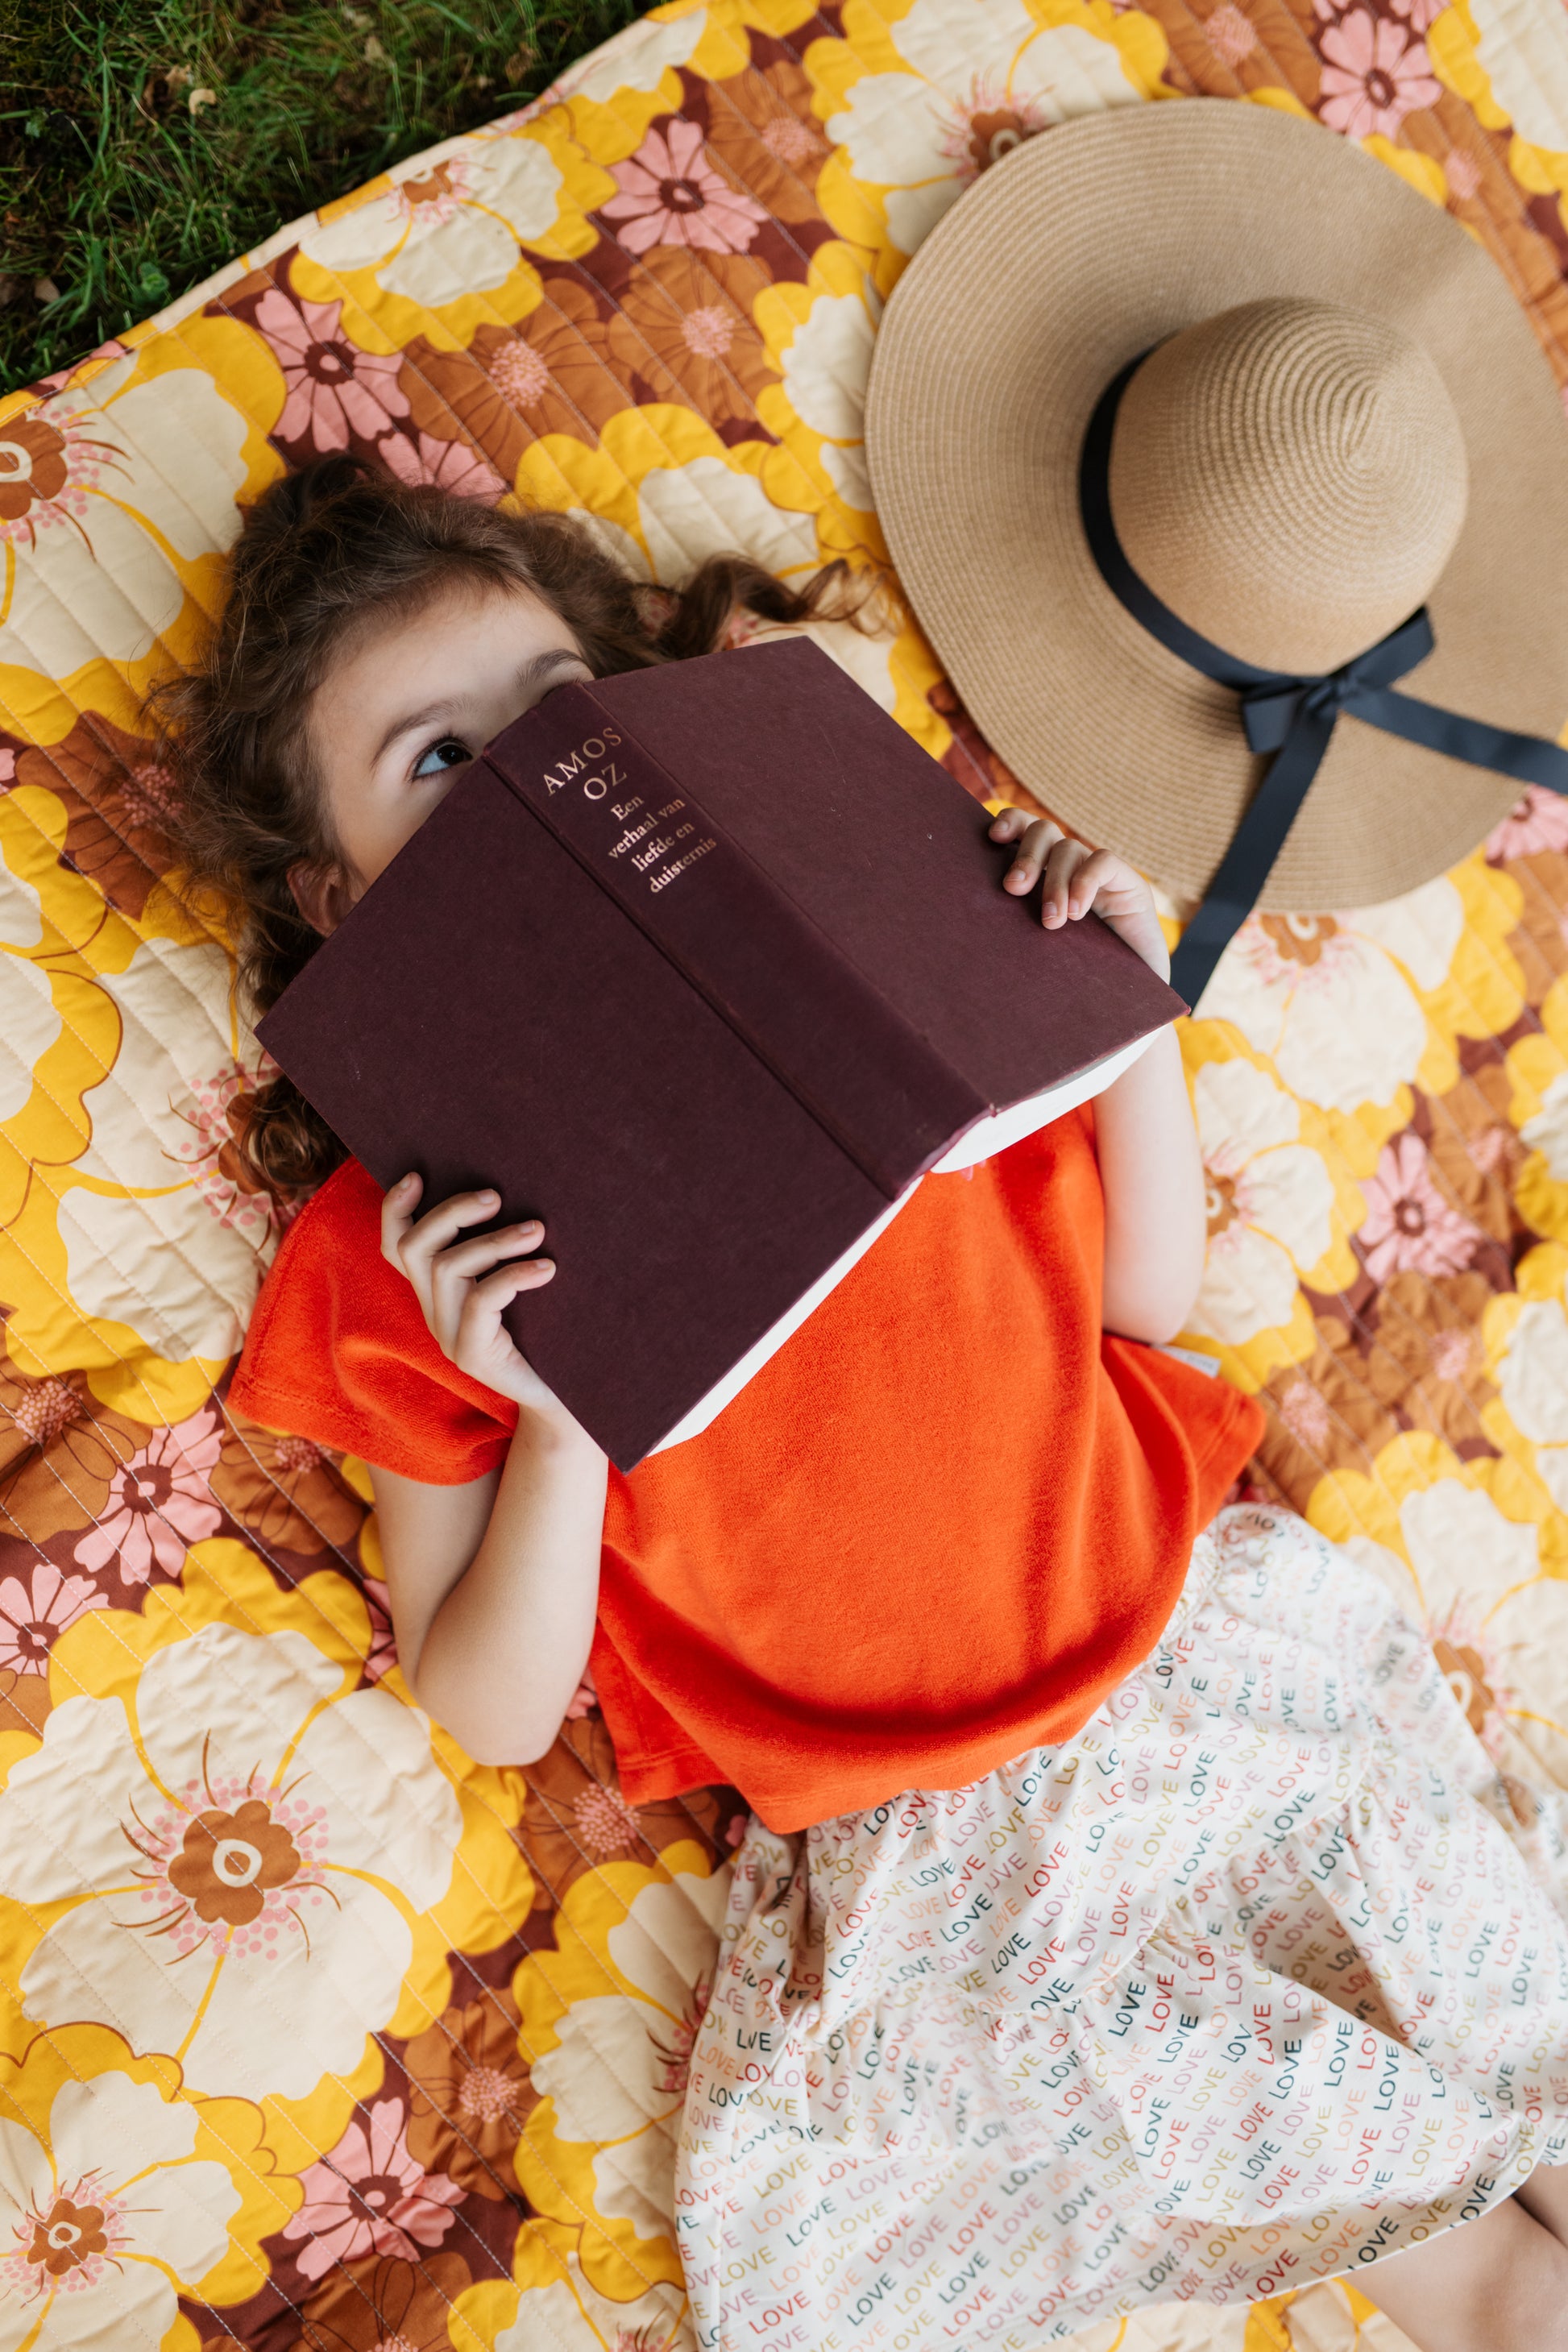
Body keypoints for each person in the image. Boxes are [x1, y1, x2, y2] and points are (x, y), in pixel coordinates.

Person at [168, 455, 1568, 2352]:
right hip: (959, 1860)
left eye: (555, 718)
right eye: (438, 762)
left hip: (1205, 1664)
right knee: (1484, 2277)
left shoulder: (855, 956)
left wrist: (1119, 1009)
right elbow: (485, 1699)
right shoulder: (406, 1238)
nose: (519, 790)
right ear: (334, 896)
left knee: (1527, 2054)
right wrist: (566, 1413)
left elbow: (1139, 1305)